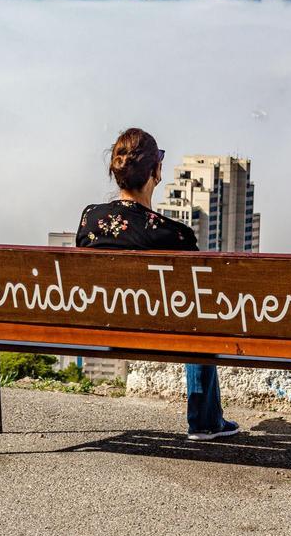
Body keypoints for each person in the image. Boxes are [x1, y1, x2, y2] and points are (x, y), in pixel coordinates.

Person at [75, 127, 239, 441]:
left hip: (99, 326)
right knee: (198, 317)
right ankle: (205, 421)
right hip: (160, 333)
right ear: (156, 171)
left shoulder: (90, 219)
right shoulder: (175, 235)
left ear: (116, 171)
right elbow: (198, 297)